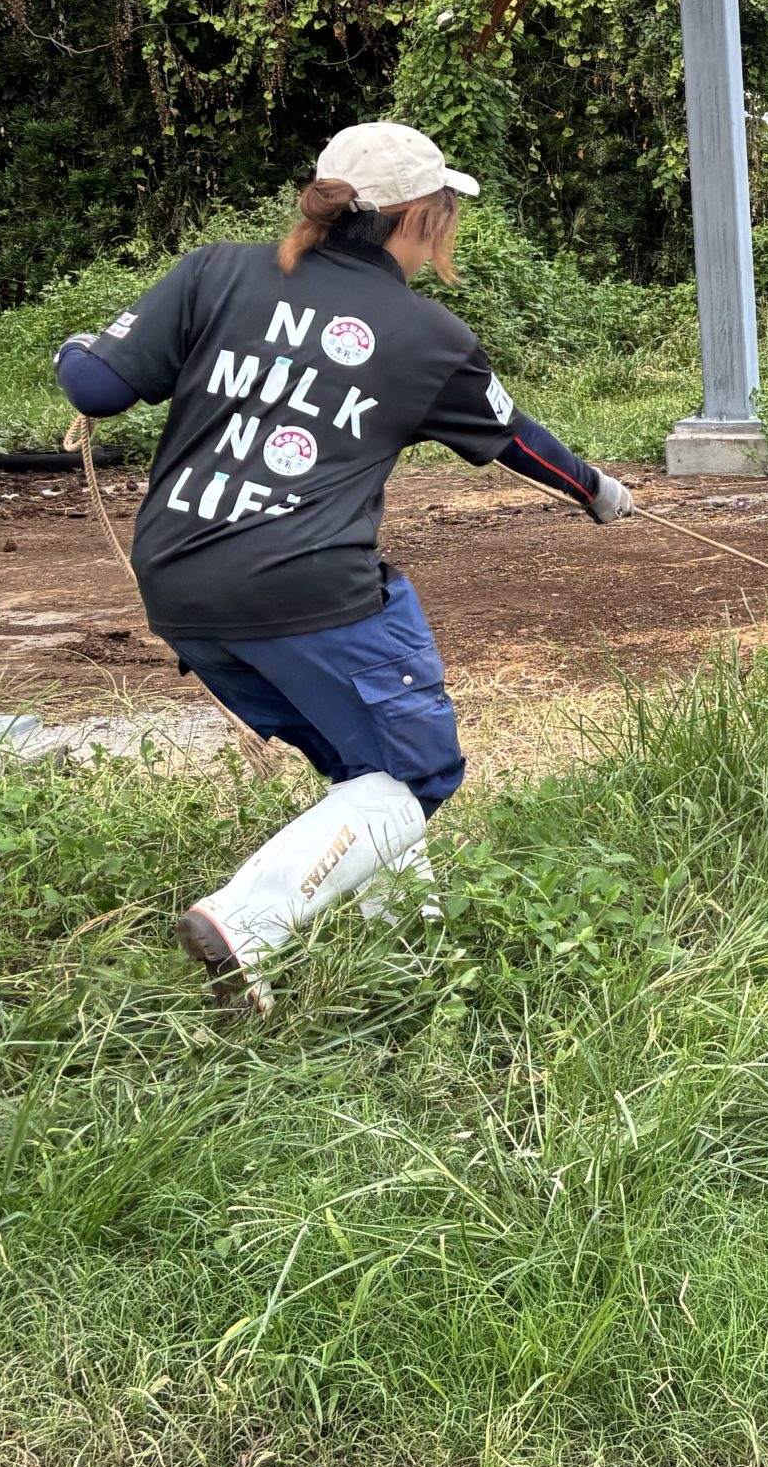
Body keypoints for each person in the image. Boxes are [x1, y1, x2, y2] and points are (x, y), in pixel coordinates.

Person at [54, 122, 636, 1013]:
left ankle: (414, 962)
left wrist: (75, 350)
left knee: (364, 771)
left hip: (179, 583)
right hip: (312, 590)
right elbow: (518, 440)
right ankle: (246, 922)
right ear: (424, 217)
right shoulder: (427, 334)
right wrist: (595, 490)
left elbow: (97, 387)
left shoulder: (219, 270)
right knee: (419, 774)